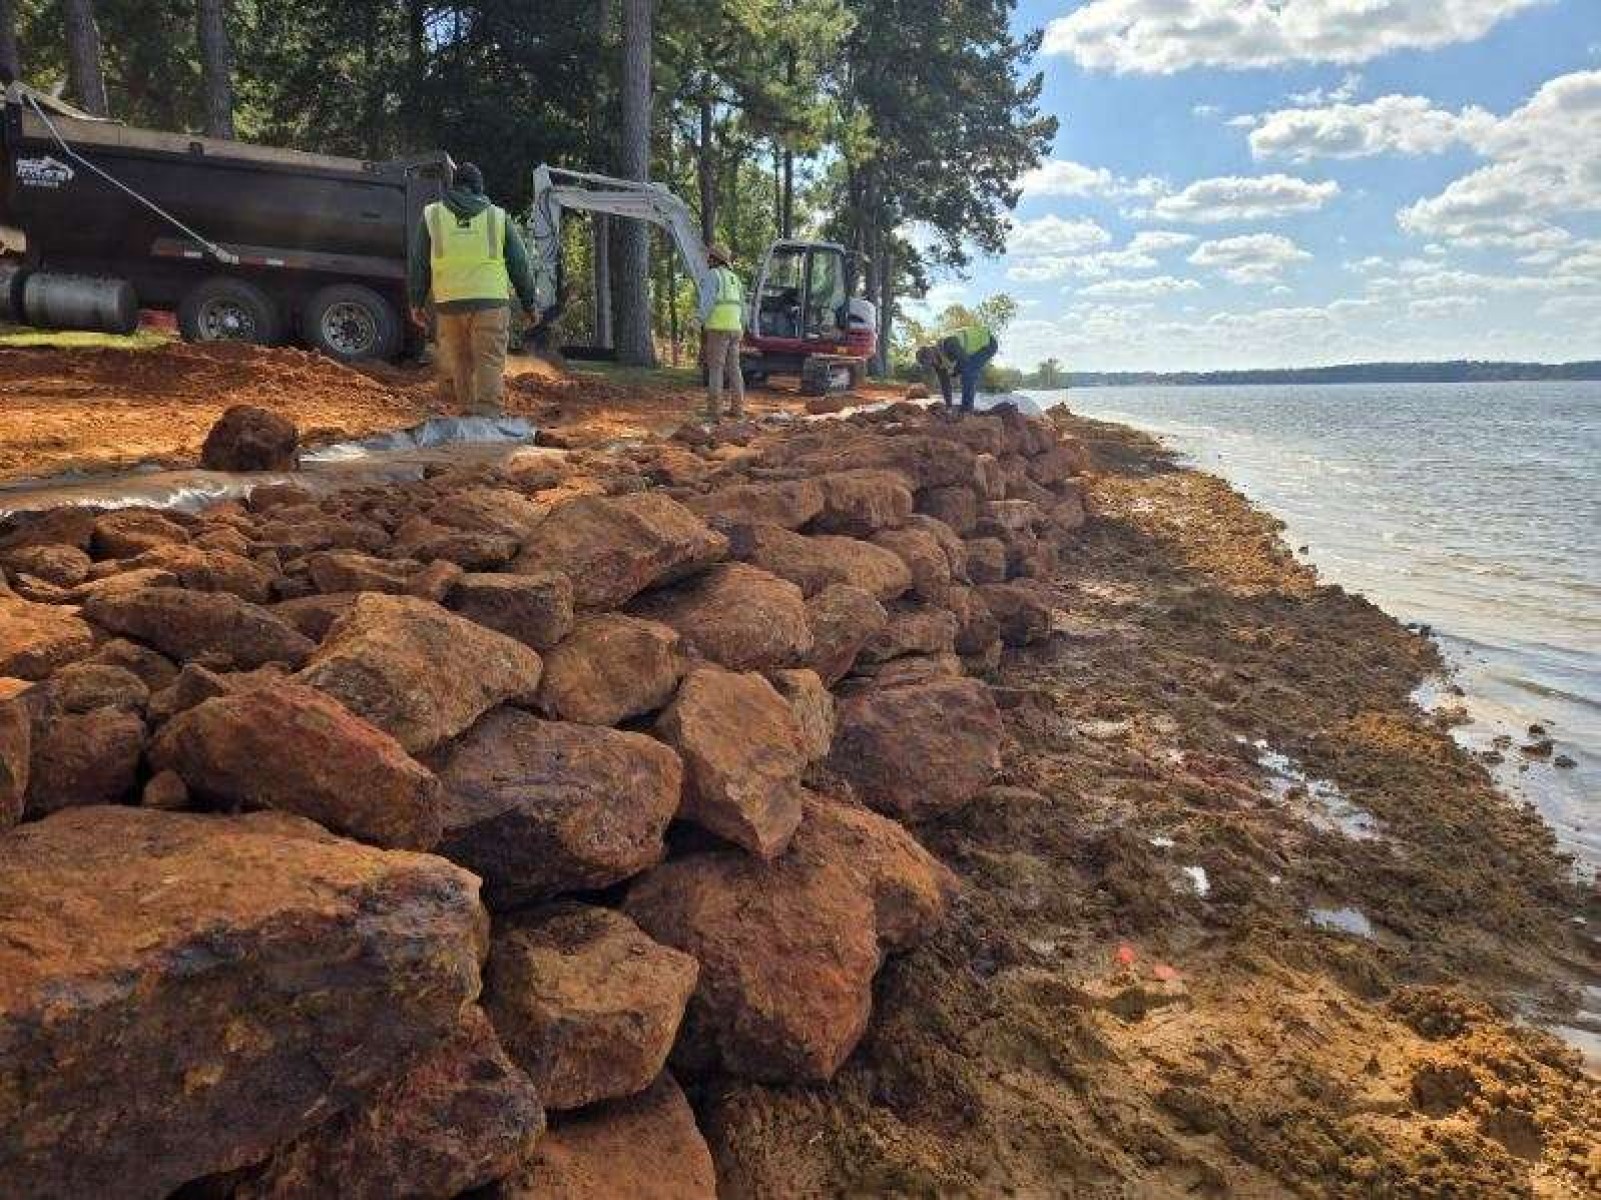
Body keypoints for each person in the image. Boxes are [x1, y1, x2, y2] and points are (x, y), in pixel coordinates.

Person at [408, 163, 540, 418]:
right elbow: (519, 264)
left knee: (460, 361)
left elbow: (419, 263)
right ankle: (487, 416)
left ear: (454, 186)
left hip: (449, 304)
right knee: (488, 360)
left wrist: (416, 302)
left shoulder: (431, 215)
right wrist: (529, 303)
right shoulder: (497, 217)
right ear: (479, 187)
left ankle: (467, 413)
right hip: (490, 304)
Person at [696, 243, 746, 422]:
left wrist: (698, 319)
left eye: (709, 257)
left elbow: (708, 302)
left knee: (716, 369)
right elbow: (743, 306)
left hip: (718, 329)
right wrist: (742, 327)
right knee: (734, 369)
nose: (707, 260)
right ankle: (738, 409)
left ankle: (714, 411)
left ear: (715, 259)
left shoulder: (713, 275)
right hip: (735, 329)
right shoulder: (735, 278)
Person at [916, 324, 999, 413]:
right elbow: (945, 384)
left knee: (968, 372)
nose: (933, 365)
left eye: (932, 362)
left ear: (933, 353)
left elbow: (965, 361)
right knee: (964, 371)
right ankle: (965, 407)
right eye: (930, 365)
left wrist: (955, 372)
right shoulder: (937, 362)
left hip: (988, 343)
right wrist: (949, 407)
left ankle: (967, 410)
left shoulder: (949, 344)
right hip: (973, 351)